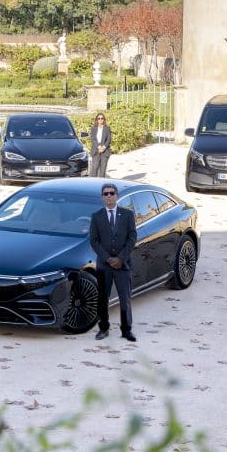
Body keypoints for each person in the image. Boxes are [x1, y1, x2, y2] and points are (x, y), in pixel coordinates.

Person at [88, 182, 138, 342]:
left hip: (123, 264)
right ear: (102, 197)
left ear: (117, 195)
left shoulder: (128, 214)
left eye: (111, 193)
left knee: (125, 298)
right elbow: (94, 240)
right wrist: (108, 259)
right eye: (105, 194)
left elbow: (132, 238)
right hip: (104, 265)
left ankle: (126, 330)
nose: (109, 196)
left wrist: (121, 258)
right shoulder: (96, 216)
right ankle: (103, 328)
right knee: (103, 298)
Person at [89, 112, 112, 177]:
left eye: (102, 118)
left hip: (105, 151)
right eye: (99, 118)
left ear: (104, 119)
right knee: (94, 169)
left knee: (103, 170)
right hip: (96, 151)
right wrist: (99, 147)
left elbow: (109, 139)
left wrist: (104, 147)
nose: (100, 120)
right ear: (96, 120)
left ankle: (101, 185)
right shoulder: (93, 128)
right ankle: (93, 185)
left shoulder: (107, 128)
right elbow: (93, 139)